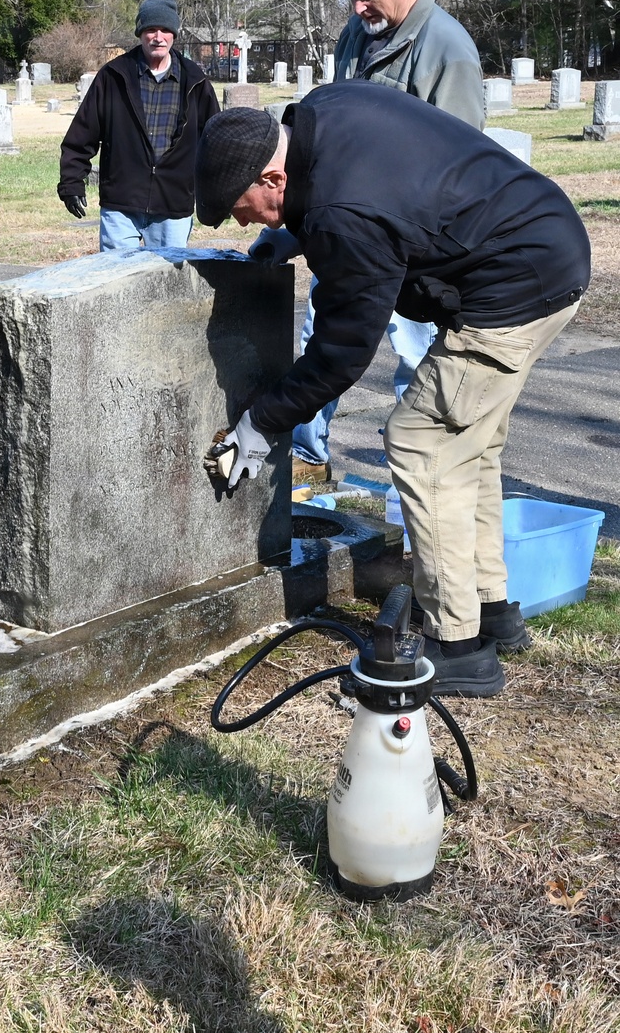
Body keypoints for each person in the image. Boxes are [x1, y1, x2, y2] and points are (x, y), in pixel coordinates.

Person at [196, 89, 590, 698]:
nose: (242, 222)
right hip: (544, 243)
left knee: (421, 442)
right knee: (468, 445)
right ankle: (490, 610)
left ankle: (458, 647)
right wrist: (295, 232)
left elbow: (341, 353)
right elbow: (374, 192)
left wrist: (259, 422)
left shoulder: (342, 215)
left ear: (273, 175)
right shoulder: (321, 115)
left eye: (241, 207)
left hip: (514, 286)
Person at [289, 0, 485, 483]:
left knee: (415, 355)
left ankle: (410, 475)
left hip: (410, 245)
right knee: (319, 337)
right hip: (349, 229)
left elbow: (460, 164)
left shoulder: (448, 49)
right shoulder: (359, 31)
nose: (357, 9)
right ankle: (308, 458)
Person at [58, 0, 219, 250]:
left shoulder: (195, 81)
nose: (158, 37)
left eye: (165, 29)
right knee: (115, 283)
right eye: (151, 29)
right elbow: (82, 134)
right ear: (140, 32)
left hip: (173, 205)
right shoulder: (114, 76)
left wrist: (220, 197)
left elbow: (215, 144)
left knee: (167, 285)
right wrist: (72, 182)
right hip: (121, 203)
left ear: (174, 34)